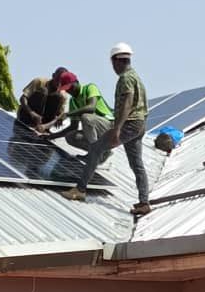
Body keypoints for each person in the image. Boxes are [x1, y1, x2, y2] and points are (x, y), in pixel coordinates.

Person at [62, 43, 151, 216]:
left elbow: (127, 102)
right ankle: (144, 202)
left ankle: (80, 190)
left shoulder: (125, 78)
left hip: (128, 124)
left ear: (115, 61)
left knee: (95, 149)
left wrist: (117, 129)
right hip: (139, 124)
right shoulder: (135, 77)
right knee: (137, 164)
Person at [43, 73, 115, 161]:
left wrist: (67, 114)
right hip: (96, 134)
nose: (69, 91)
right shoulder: (73, 102)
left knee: (86, 117)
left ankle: (95, 154)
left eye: (70, 87)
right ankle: (104, 153)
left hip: (109, 127)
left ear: (76, 82)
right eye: (66, 89)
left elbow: (91, 107)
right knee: (70, 137)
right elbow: (73, 127)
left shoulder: (90, 88)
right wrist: (51, 136)